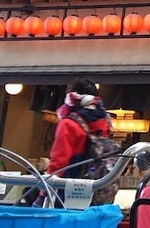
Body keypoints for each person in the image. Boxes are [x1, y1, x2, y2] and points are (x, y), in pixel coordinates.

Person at [36, 77, 111, 206]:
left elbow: (59, 161)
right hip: (93, 189)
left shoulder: (69, 123)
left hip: (67, 189)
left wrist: (44, 193)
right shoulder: (104, 122)